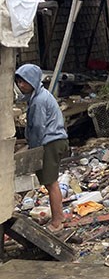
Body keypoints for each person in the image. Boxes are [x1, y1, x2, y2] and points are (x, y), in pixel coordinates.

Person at [15, 64, 70, 231]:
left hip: (50, 143)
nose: (20, 85)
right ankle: (60, 217)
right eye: (18, 82)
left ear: (32, 81)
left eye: (24, 82)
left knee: (51, 183)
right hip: (55, 141)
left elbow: (38, 128)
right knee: (50, 182)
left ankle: (57, 222)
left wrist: (34, 150)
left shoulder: (39, 100)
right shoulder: (39, 96)